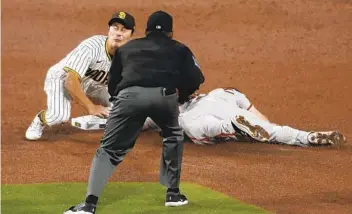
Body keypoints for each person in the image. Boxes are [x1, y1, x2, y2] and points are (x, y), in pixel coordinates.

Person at [64, 10, 205, 214]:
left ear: (146, 31)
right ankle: (173, 193)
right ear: (171, 32)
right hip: (164, 97)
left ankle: (89, 205)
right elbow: (196, 79)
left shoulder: (128, 48)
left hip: (128, 97)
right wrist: (179, 97)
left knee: (108, 150)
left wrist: (122, 101)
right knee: (173, 135)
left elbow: (112, 84)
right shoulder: (181, 49)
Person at [25, 11, 136, 141]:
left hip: (93, 84)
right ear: (108, 30)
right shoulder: (92, 47)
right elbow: (70, 81)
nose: (118, 33)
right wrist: (91, 107)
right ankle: (40, 119)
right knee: (58, 116)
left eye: (124, 30)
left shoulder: (131, 55)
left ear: (131, 34)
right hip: (62, 79)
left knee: (121, 107)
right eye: (115, 28)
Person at [142, 87, 346, 147]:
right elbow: (249, 106)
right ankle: (307, 137)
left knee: (204, 128)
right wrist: (264, 125)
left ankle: (231, 127)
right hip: (220, 100)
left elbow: (143, 122)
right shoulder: (221, 92)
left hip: (192, 117)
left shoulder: (170, 111)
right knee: (272, 130)